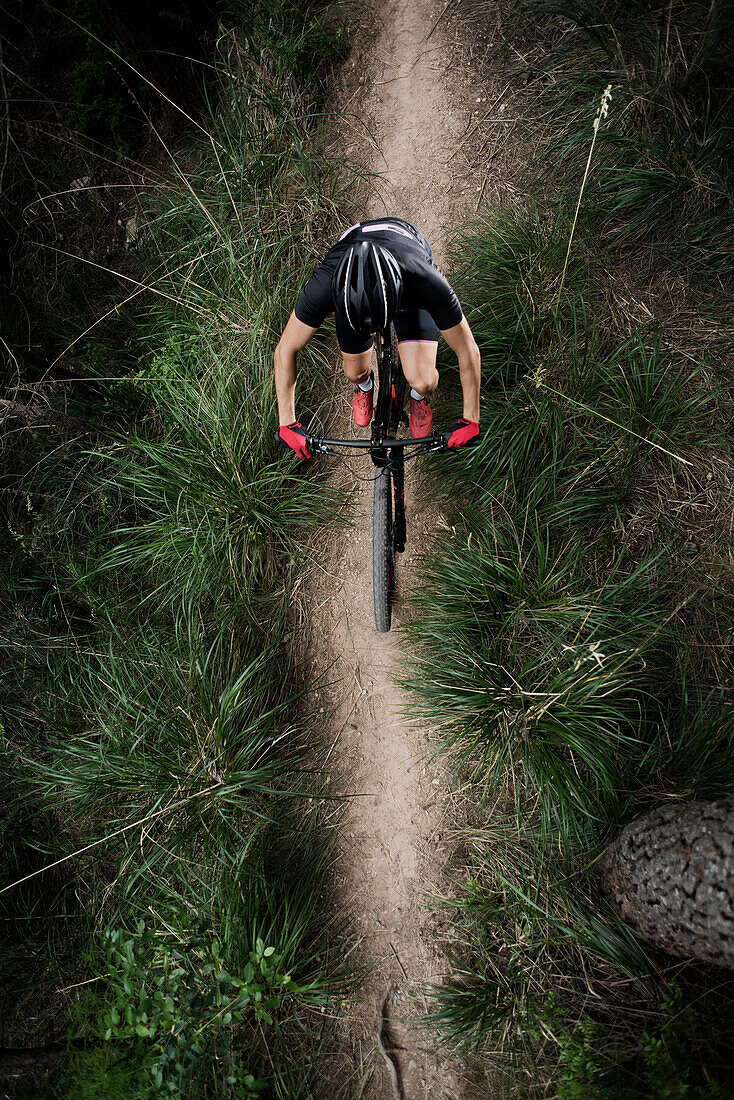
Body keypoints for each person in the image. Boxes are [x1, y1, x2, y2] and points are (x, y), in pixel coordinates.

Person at [274, 217, 481, 459]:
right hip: (352, 265)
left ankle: (418, 396)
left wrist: (471, 419)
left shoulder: (424, 280)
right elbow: (285, 350)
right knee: (354, 372)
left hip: (404, 262)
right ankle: (364, 385)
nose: (373, 334)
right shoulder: (326, 284)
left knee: (423, 381)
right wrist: (286, 423)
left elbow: (467, 349)